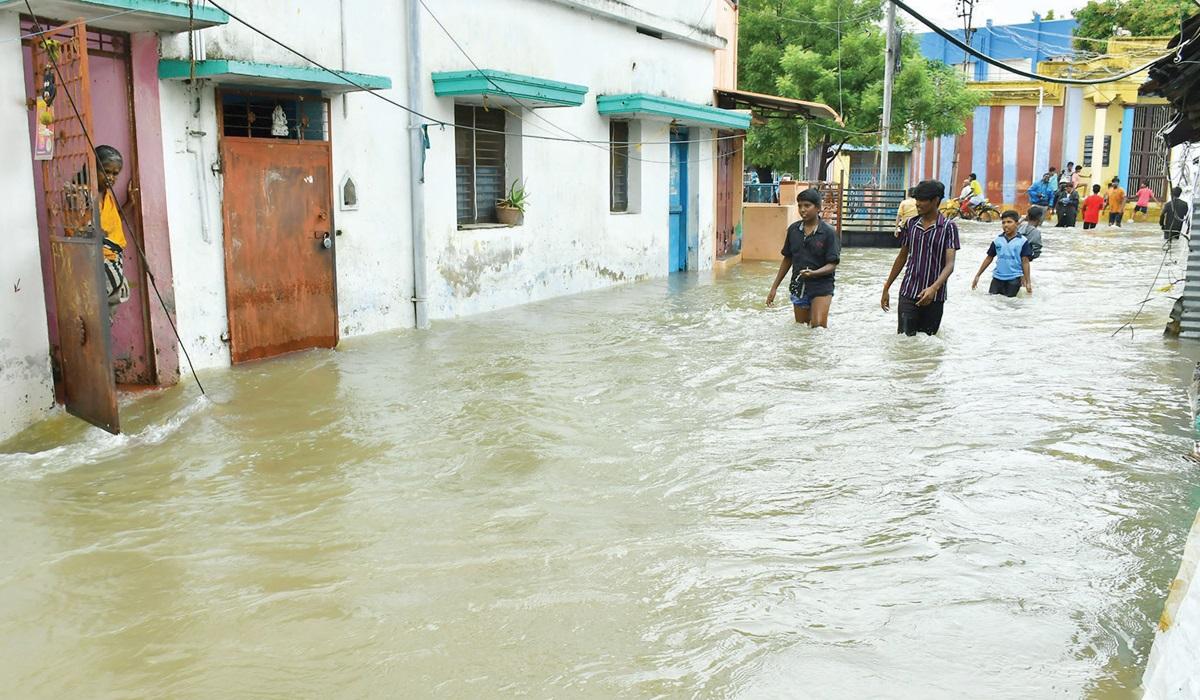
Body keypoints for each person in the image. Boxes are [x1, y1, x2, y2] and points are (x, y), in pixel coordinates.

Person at [881, 179, 960, 336]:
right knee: (905, 341)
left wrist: (933, 288)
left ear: (935, 200)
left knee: (928, 345)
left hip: (935, 297)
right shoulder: (910, 224)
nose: (917, 204)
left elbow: (950, 265)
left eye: (922, 200)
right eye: (916, 199)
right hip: (908, 292)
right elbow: (902, 257)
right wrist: (886, 287)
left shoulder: (948, 227)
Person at [766, 188, 841, 328]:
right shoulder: (793, 230)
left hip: (822, 286)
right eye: (800, 205)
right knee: (802, 329)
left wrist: (814, 273)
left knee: (818, 327)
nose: (802, 210)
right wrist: (774, 287)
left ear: (818, 208)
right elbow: (788, 259)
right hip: (799, 285)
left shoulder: (828, 233)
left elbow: (832, 264)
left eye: (807, 205)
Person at [93, 145, 132, 321]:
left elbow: (113, 223)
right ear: (94, 168)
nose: (111, 178)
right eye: (106, 171)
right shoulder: (85, 195)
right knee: (97, 317)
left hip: (114, 259)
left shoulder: (106, 194)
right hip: (98, 263)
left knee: (106, 317)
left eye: (115, 174)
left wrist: (130, 203)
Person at [972, 210, 1033, 298]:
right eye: (1003, 222)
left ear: (1017, 224)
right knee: (993, 302)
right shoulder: (997, 240)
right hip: (997, 279)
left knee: (1010, 304)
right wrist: (978, 275)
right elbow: (989, 258)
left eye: (1009, 222)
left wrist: (1028, 282)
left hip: (1014, 279)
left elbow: (1025, 262)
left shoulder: (1023, 241)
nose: (1006, 225)